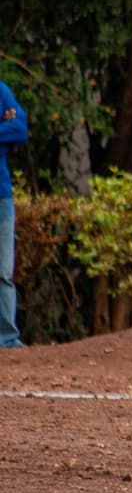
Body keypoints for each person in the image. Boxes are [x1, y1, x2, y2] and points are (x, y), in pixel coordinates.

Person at [0, 80, 29, 349]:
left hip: (2, 196)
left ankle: (7, 339)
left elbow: (20, 129)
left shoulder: (1, 90)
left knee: (3, 271)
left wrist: (10, 124)